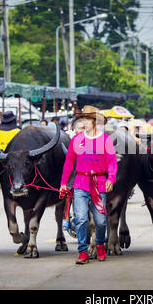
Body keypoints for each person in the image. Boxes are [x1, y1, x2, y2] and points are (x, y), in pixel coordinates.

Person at [60, 105, 117, 265]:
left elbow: (112, 161)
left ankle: (99, 244)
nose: (84, 121)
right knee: (80, 219)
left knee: (100, 221)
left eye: (88, 119)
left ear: (95, 121)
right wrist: (64, 183)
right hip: (81, 183)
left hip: (99, 184)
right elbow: (69, 162)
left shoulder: (105, 140)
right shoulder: (77, 140)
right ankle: (83, 252)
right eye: (83, 119)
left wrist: (110, 179)